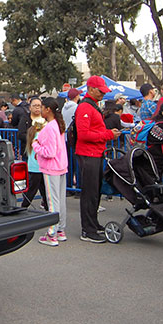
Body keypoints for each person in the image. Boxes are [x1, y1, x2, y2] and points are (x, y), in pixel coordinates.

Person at [75, 76, 121, 243]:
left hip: (94, 153)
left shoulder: (90, 106)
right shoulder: (85, 107)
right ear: (91, 89)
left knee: (94, 192)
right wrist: (108, 134)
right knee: (89, 193)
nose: (103, 94)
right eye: (100, 91)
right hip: (89, 154)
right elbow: (84, 134)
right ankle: (88, 229)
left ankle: (92, 224)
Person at [32, 97, 69, 245]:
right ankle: (60, 230)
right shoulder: (58, 125)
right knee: (60, 200)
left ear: (48, 109)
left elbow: (49, 152)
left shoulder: (49, 127)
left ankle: (52, 233)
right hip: (60, 166)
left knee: (53, 201)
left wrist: (36, 146)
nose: (40, 110)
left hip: (51, 167)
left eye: (42, 107)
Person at [22, 120, 47, 210]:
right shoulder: (40, 136)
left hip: (34, 166)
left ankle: (47, 206)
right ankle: (24, 206)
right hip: (38, 166)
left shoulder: (32, 134)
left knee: (40, 189)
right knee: (35, 190)